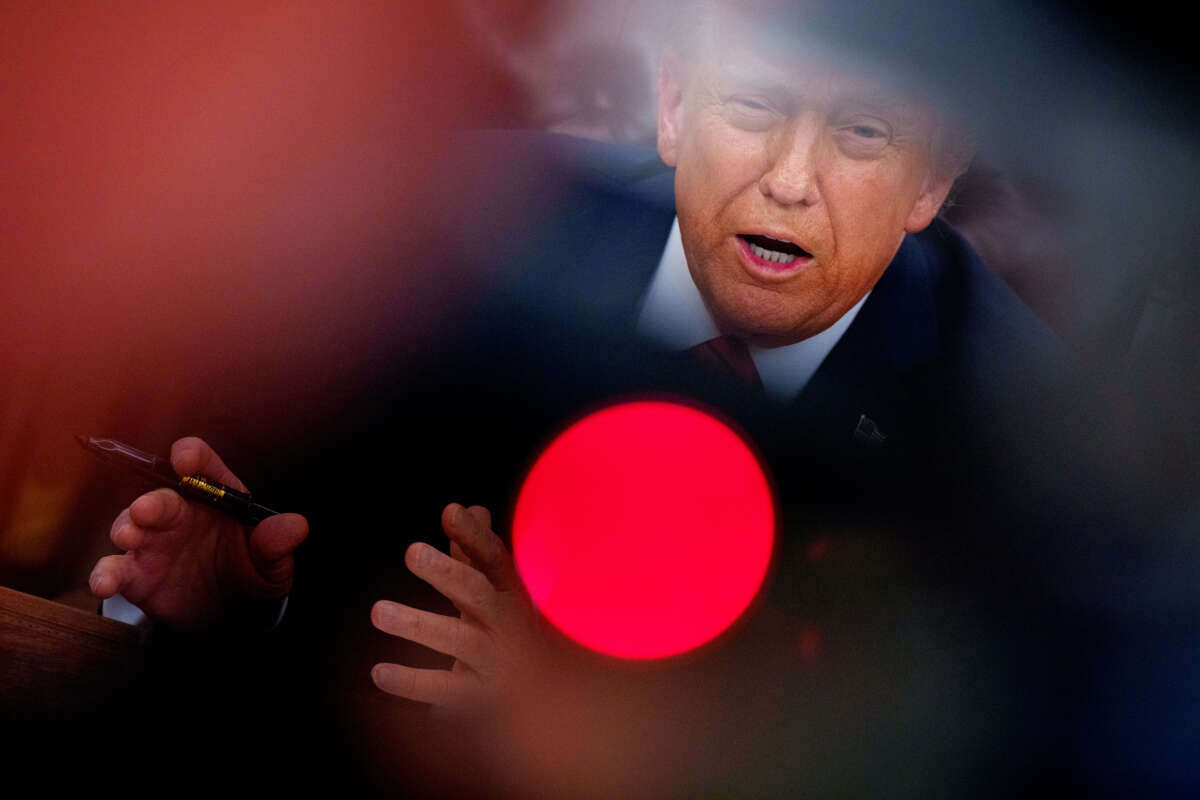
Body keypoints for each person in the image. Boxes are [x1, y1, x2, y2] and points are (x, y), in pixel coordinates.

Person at [87, 3, 1083, 794]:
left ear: (931, 182)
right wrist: (258, 608)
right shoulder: (440, 240)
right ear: (672, 106)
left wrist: (573, 720)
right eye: (752, 109)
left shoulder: (1027, 431)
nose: (790, 180)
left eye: (862, 131)